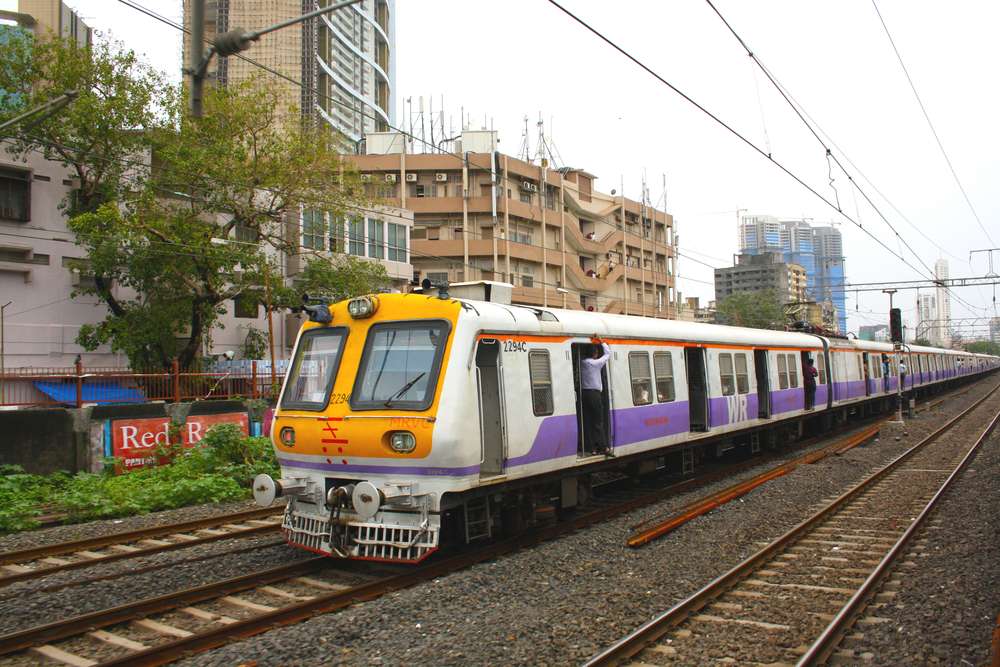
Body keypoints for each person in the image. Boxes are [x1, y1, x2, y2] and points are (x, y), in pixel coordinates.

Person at [582, 337, 612, 456]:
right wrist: (602, 342)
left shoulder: (582, 362)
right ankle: (603, 447)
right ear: (595, 354)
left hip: (584, 394)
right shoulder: (595, 364)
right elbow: (608, 354)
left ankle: (591, 448)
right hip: (594, 395)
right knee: (598, 421)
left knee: (588, 421)